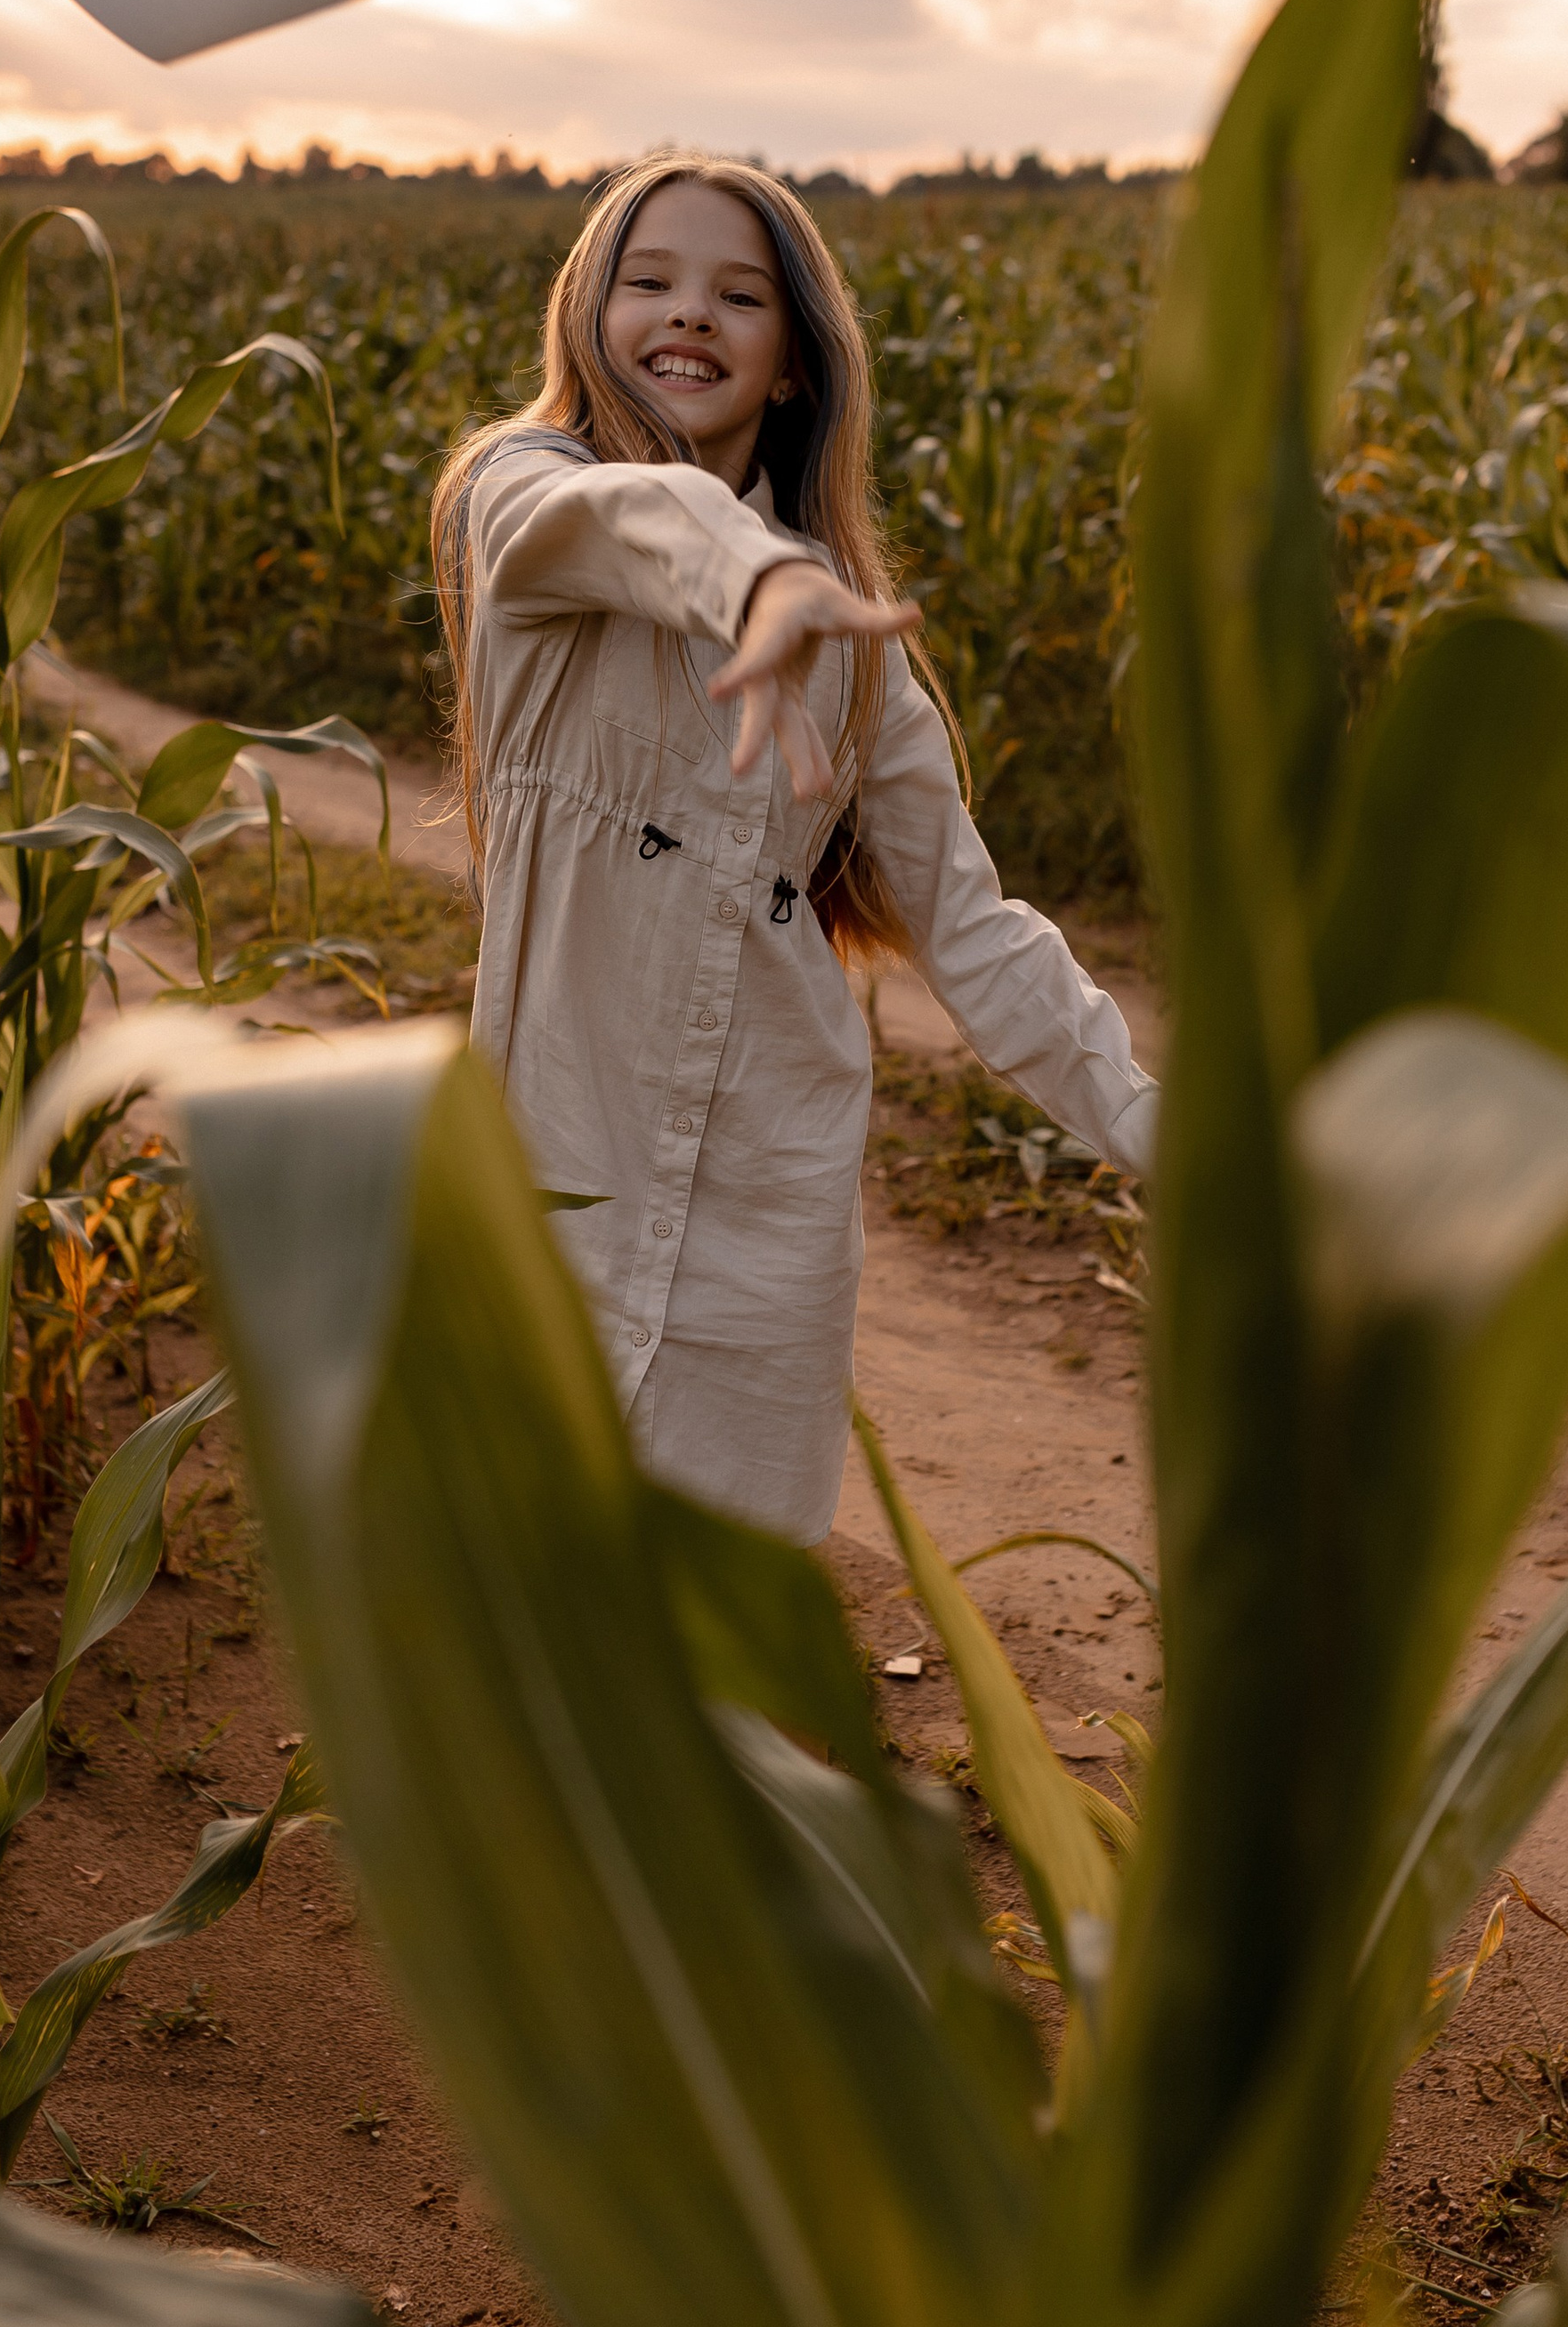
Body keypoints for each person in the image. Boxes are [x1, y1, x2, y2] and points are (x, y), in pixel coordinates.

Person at [431, 154, 1156, 1543]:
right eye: (647, 281)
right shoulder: (518, 504)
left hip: (770, 1226)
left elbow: (981, 931)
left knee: (735, 1694)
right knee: (526, 1650)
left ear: (793, 368)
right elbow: (631, 517)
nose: (685, 313)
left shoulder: (854, 647)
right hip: (549, 1183)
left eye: (735, 294)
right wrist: (757, 573)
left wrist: (1158, 1129)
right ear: (589, 316)